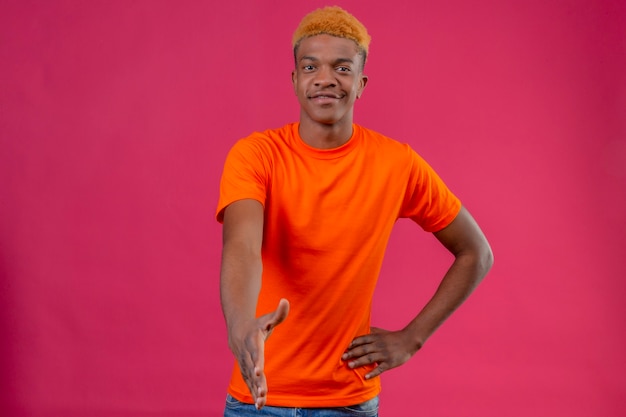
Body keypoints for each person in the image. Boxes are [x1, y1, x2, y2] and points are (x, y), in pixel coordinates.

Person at [216, 6, 493, 416]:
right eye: (310, 66)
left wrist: (412, 338)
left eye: (342, 68)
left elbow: (476, 253)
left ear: (361, 84)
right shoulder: (256, 155)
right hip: (257, 401)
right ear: (295, 80)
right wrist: (241, 326)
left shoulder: (396, 163)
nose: (325, 78)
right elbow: (241, 245)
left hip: (347, 403)